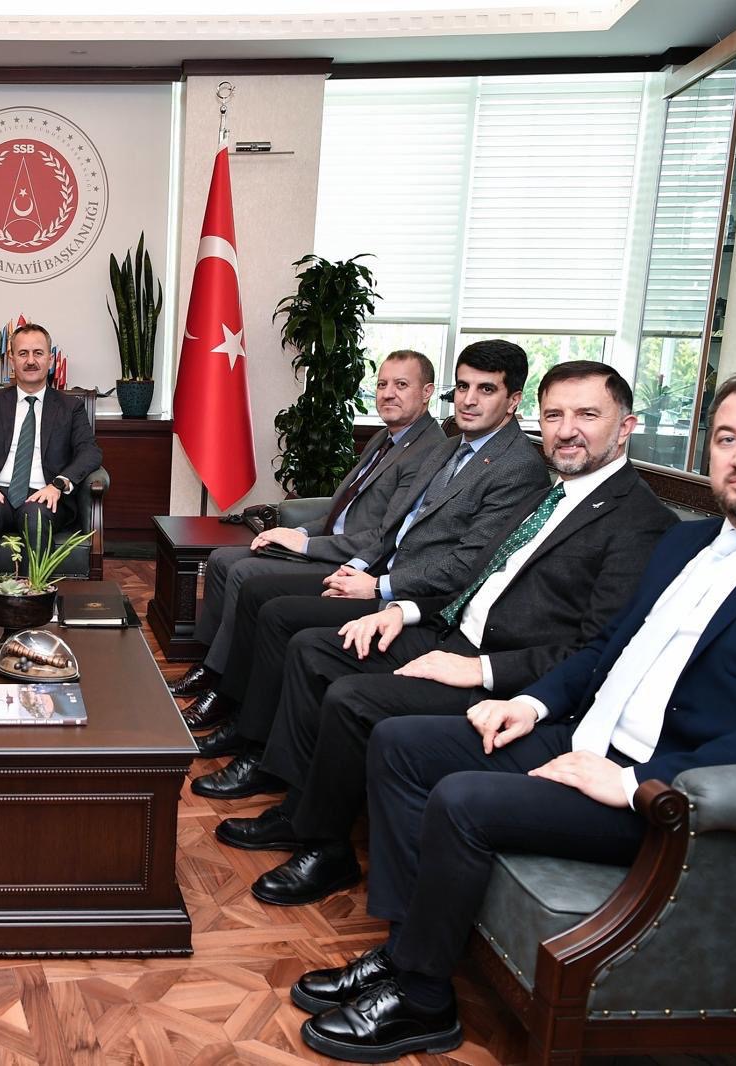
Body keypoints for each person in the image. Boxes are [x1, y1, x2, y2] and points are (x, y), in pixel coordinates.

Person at [293, 366, 736, 1063]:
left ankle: (423, 998)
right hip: (584, 737)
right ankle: (403, 950)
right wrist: (530, 702)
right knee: (399, 745)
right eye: (728, 438)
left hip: (663, 789)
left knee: (461, 799)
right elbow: (607, 646)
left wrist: (637, 781)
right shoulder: (688, 544)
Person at [216, 361, 676, 907]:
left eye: (587, 415)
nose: (566, 429)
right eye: (554, 415)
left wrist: (480, 668)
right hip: (449, 630)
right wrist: (403, 611)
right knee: (317, 648)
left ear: (625, 427)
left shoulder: (641, 522)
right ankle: (297, 807)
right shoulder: (551, 495)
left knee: (351, 697)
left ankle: (325, 847)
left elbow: (598, 652)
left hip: (504, 673)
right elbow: (477, 581)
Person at [191, 340, 551, 799]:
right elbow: (393, 526)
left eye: (486, 389)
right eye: (463, 387)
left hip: (420, 602)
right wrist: (358, 567)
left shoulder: (517, 467)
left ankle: (259, 753)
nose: (469, 399)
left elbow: (467, 565)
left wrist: (379, 586)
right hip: (378, 572)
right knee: (261, 596)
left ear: (513, 400)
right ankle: (243, 722)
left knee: (279, 615)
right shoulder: (451, 447)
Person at [170, 350, 445, 724]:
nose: (388, 393)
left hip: (353, 564)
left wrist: (306, 544)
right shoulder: (386, 436)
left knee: (244, 573)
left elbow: (387, 535)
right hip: (327, 543)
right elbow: (342, 507)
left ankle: (224, 687)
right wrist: (296, 530)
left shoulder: (429, 451)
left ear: (427, 392)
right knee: (221, 559)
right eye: (382, 384)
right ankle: (210, 664)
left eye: (401, 384)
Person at [0, 323, 103, 581]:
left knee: (36, 517)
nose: (30, 361)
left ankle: (34, 599)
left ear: (50, 359)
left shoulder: (70, 407)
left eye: (38, 353)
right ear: (12, 360)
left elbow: (90, 452)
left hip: (44, 494)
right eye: (23, 353)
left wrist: (58, 484)